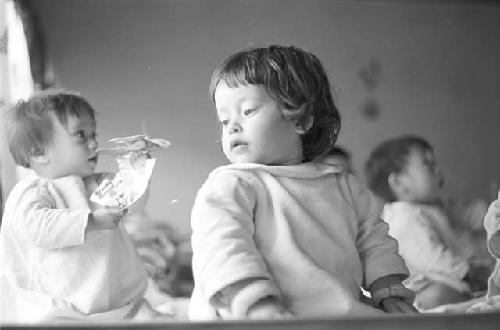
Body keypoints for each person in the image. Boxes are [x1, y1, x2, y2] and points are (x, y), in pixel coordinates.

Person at [189, 45, 417, 320]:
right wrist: (257, 306)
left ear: (302, 119)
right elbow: (221, 248)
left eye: (247, 111)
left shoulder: (344, 187)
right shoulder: (231, 184)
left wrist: (390, 293)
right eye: (224, 120)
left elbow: (375, 244)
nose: (232, 127)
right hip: (250, 314)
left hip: (336, 315)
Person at [0, 91, 155, 323]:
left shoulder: (101, 183)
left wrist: (137, 173)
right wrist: (91, 221)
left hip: (121, 306)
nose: (93, 143)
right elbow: (35, 227)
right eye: (80, 135)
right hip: (62, 310)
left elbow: (135, 205)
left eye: (94, 134)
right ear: (38, 152)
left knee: (153, 319)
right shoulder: (34, 192)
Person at [364, 135, 472, 310]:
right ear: (399, 183)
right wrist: (467, 271)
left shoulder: (423, 211)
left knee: (453, 292)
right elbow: (430, 259)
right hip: (416, 292)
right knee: (439, 294)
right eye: (428, 164)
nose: (438, 170)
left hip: (438, 281)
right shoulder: (405, 216)